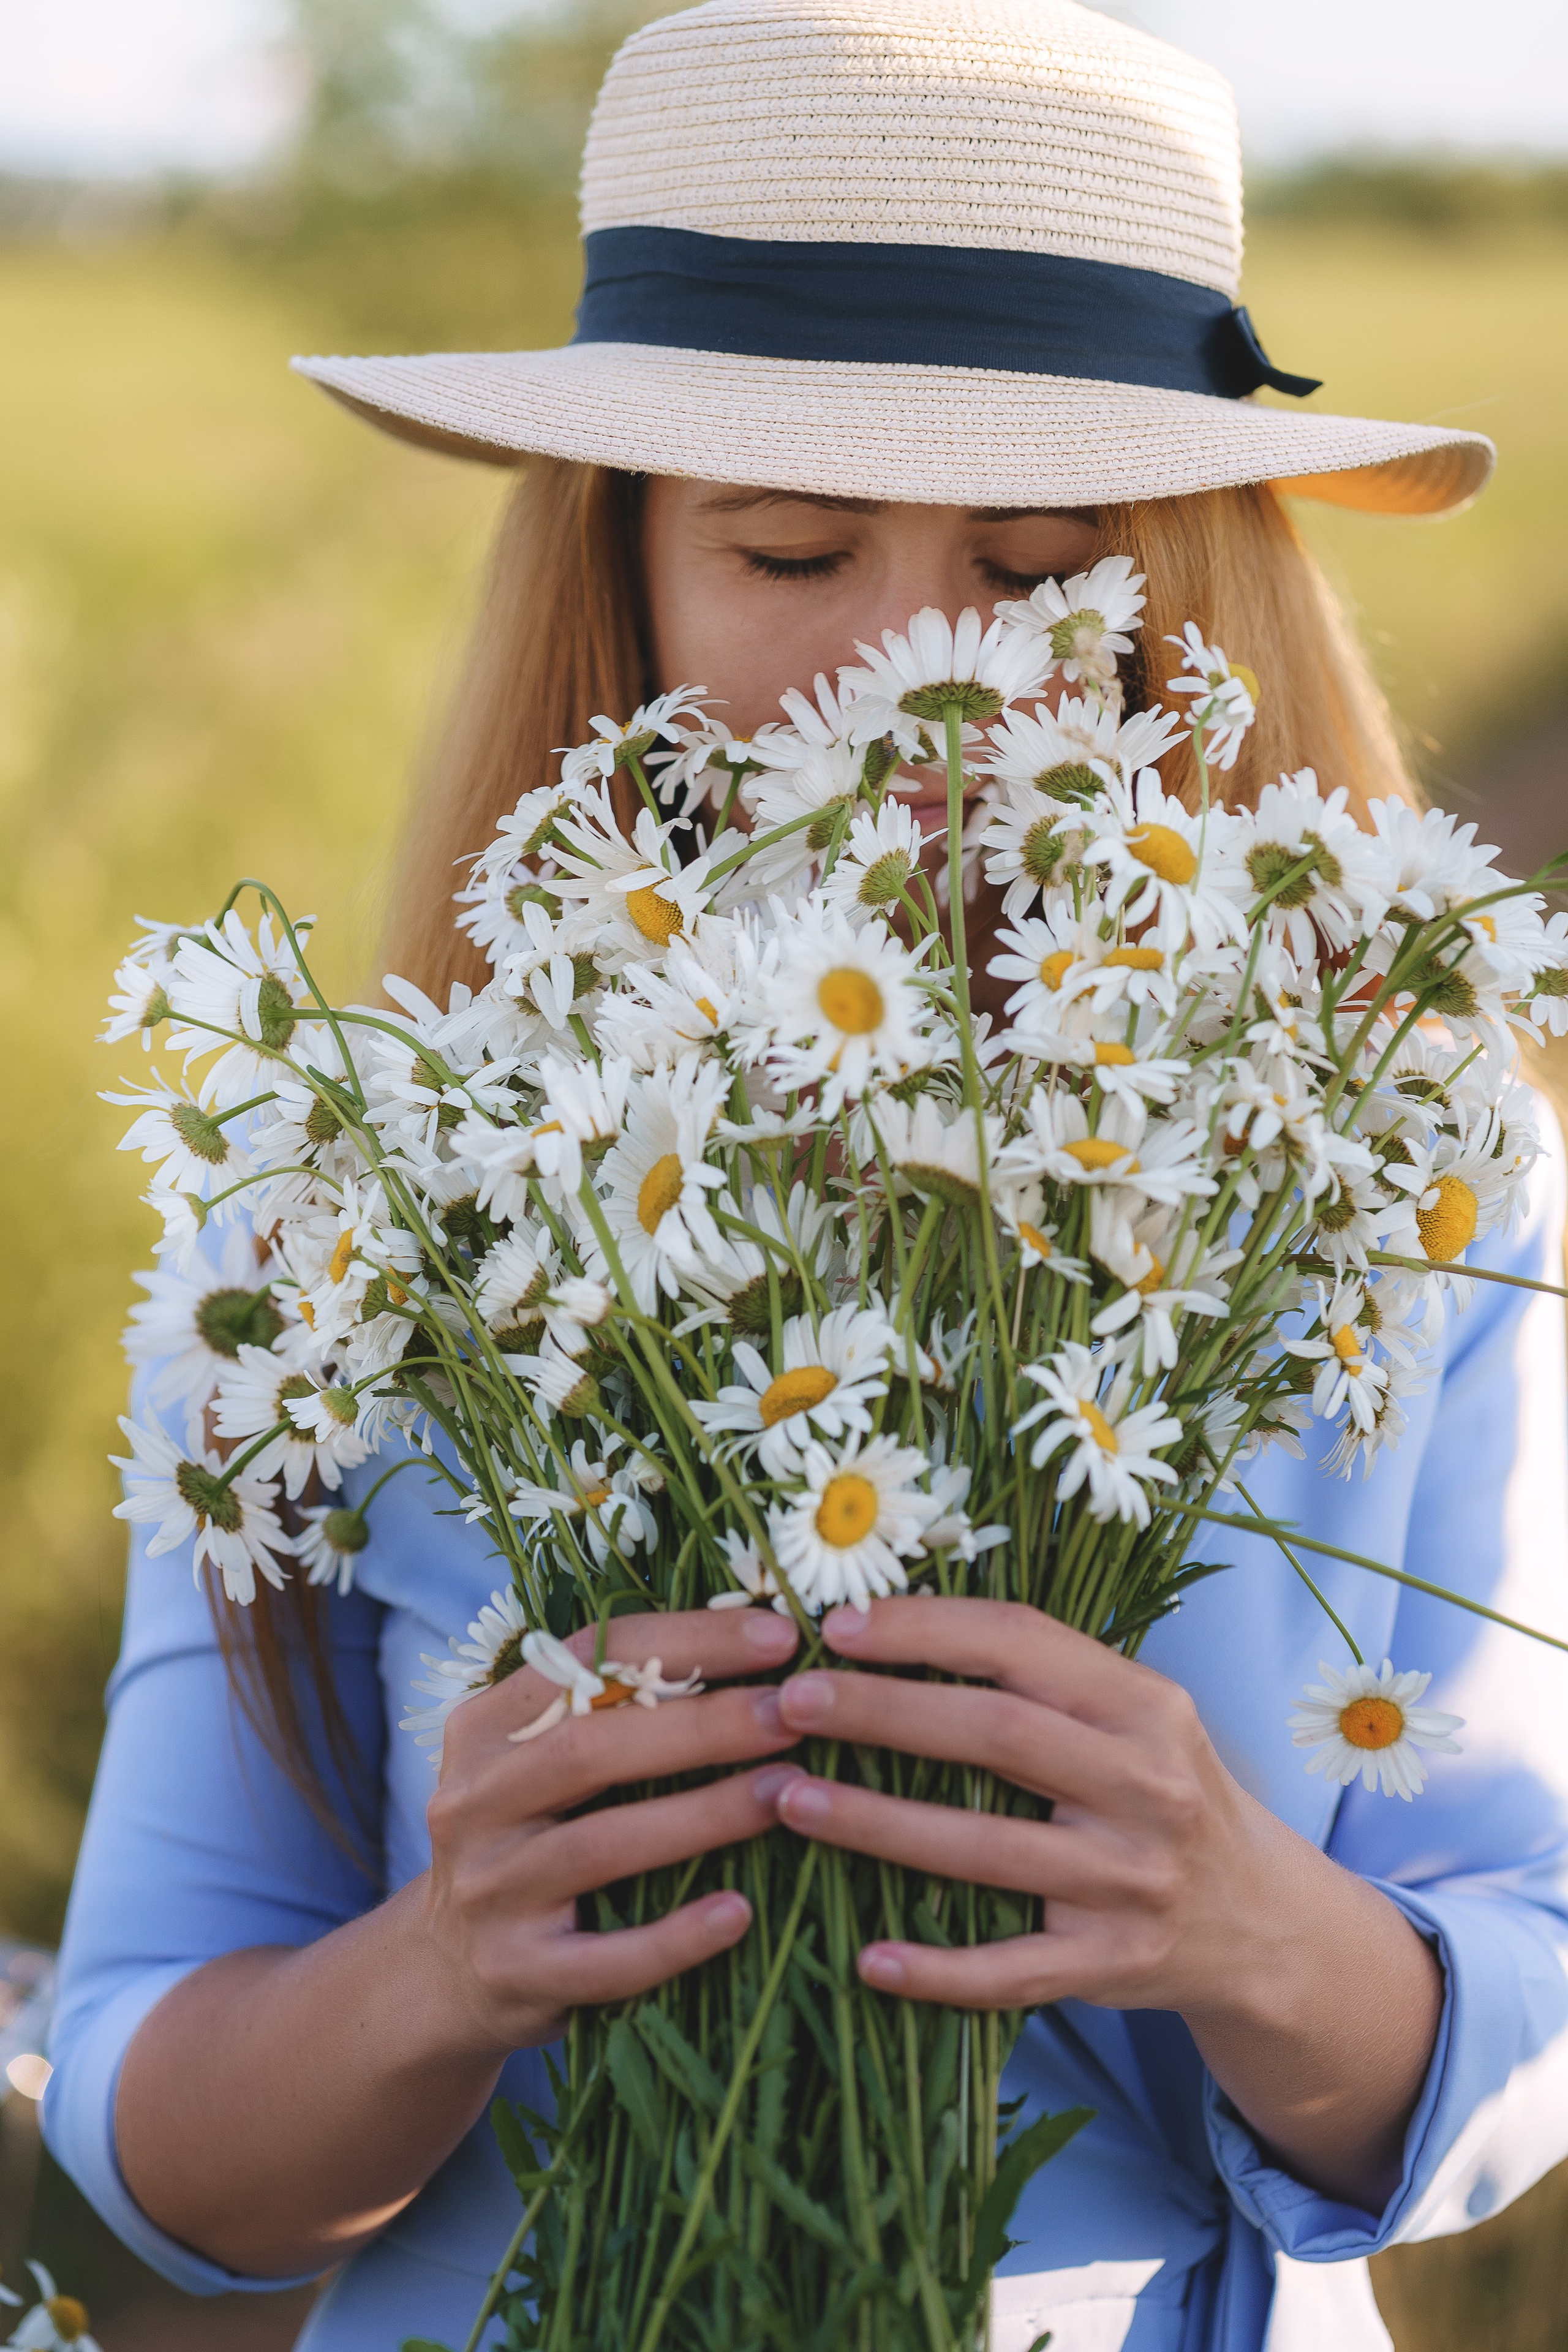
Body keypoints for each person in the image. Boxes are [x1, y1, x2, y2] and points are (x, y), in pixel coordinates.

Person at [42, 4, 1568, 2348]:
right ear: (622, 583)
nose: (919, 677)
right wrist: (441, 1967)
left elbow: (1517, 2015)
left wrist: (1249, 1920)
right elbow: (161, 2143)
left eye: (1044, 567)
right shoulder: (358, 1199)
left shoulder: (1392, 1169)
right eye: (787, 550)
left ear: (1191, 609)